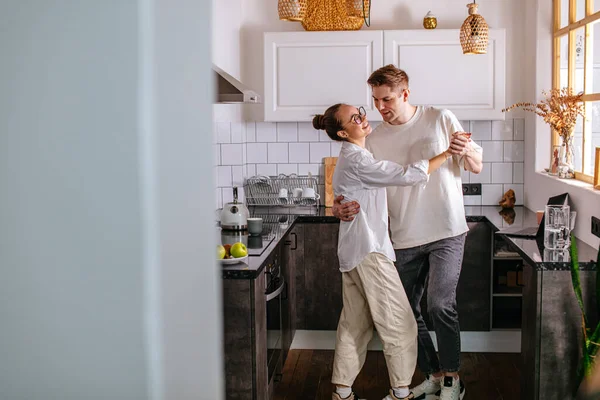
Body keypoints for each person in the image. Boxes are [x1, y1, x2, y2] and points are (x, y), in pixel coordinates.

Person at [333, 65, 483, 400]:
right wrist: (336, 205)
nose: (380, 107)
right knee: (406, 312)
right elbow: (354, 179)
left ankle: (452, 380)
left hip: (447, 229)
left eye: (386, 99)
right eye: (375, 100)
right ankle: (433, 374)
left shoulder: (440, 118)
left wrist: (465, 150)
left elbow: (475, 165)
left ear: (405, 94)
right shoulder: (372, 137)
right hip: (402, 234)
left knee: (440, 304)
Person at [313, 103, 453, 400]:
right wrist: (447, 153)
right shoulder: (358, 160)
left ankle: (342, 392)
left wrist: (338, 206)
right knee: (400, 322)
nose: (363, 117)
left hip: (353, 252)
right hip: (370, 251)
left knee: (355, 324)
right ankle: (401, 393)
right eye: (354, 118)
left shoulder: (355, 156)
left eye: (360, 111)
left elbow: (349, 196)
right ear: (342, 132)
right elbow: (406, 174)